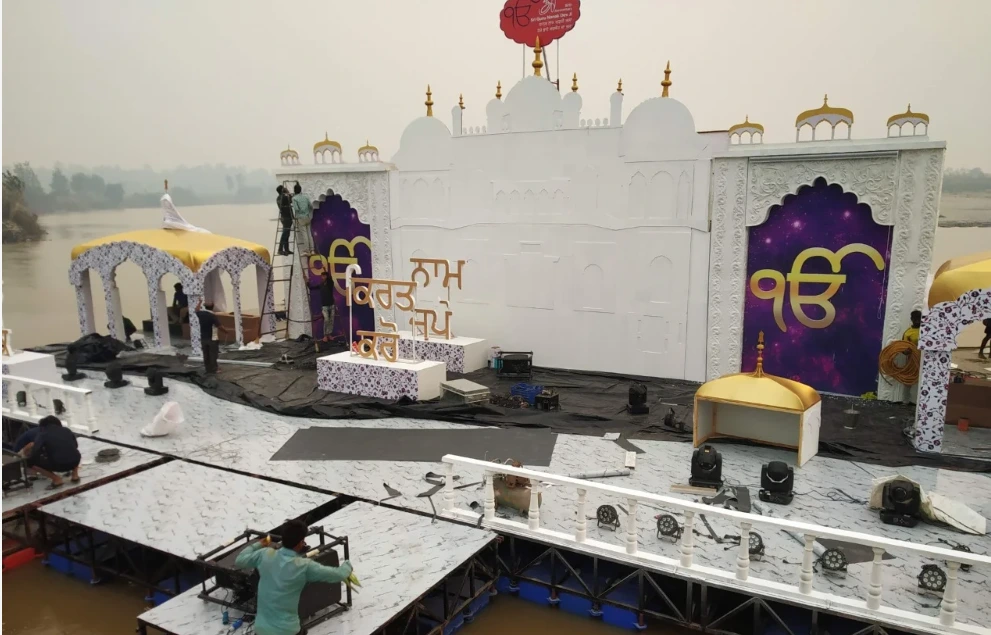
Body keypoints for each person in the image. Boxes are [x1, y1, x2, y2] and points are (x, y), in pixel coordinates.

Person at [235, 519, 354, 635]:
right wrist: (347, 565)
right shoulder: (303, 566)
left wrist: (259, 544)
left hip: (262, 629)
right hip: (287, 630)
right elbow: (338, 575)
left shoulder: (265, 554)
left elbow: (240, 560)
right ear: (301, 542)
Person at [21, 415, 81, 490]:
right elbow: (75, 445)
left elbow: (35, 452)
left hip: (58, 465)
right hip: (75, 462)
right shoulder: (67, 430)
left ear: (43, 426)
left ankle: (56, 479)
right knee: (73, 453)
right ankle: (75, 475)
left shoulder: (43, 434)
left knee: (29, 462)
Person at [195, 301, 228, 374]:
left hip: (203, 337)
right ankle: (214, 369)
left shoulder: (201, 314)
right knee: (213, 354)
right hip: (212, 338)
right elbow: (219, 326)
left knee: (206, 354)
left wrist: (199, 302)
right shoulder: (212, 316)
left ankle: (208, 368)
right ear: (213, 307)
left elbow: (196, 310)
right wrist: (226, 331)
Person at [309, 271, 336, 342]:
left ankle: (329, 334)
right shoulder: (321, 285)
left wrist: (326, 271)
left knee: (331, 320)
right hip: (325, 306)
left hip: (331, 304)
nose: (323, 277)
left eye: (324, 276)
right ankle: (325, 335)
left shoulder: (330, 284)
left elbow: (330, 279)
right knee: (326, 320)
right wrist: (307, 282)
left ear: (326, 276)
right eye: (322, 276)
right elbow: (312, 288)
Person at [291, 182, 314, 255]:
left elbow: (296, 209)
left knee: (304, 235)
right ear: (300, 190)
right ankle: (312, 250)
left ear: (294, 191)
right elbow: (311, 206)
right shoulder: (306, 197)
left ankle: (307, 251)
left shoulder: (294, 198)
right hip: (308, 217)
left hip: (301, 218)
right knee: (309, 234)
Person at [277, 185, 294, 256]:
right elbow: (291, 200)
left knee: (286, 234)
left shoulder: (278, 198)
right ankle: (280, 249)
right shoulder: (284, 197)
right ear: (282, 190)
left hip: (284, 217)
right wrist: (288, 192)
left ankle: (286, 249)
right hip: (287, 217)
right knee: (285, 234)